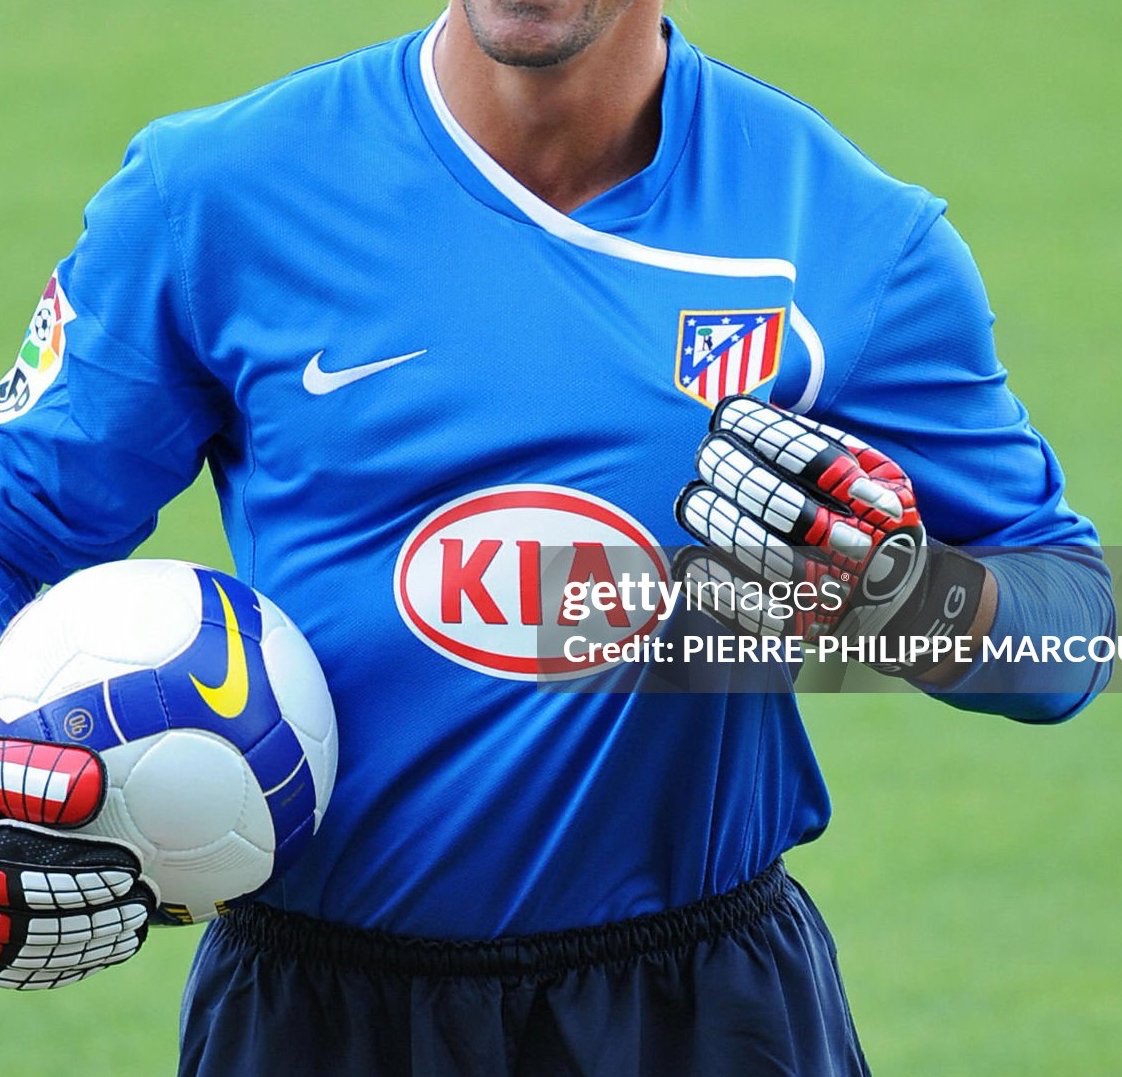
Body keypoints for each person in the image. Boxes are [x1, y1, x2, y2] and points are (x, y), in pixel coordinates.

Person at [0, 1, 1112, 1074]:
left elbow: (1074, 630)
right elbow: (18, 523)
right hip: (310, 1011)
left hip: (698, 1011)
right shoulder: (214, 199)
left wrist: (903, 604)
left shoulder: (847, 241)